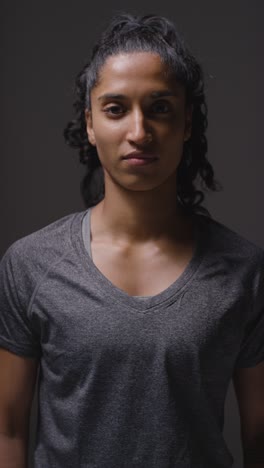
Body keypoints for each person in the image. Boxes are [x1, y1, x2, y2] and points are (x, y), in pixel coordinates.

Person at [0, 13, 263, 468]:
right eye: (116, 109)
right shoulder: (30, 264)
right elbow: (8, 429)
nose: (138, 132)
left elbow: (260, 436)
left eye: (160, 108)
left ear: (186, 123)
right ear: (89, 123)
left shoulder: (244, 270)